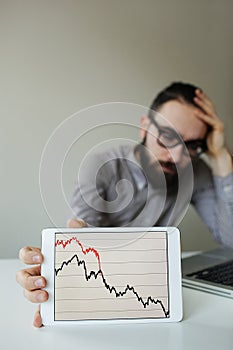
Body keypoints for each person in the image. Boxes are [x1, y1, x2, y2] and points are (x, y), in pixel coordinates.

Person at [16, 82, 233, 327]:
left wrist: (222, 157)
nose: (175, 155)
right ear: (144, 126)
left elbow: (230, 239)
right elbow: (83, 245)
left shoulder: (194, 170)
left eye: (192, 146)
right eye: (167, 138)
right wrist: (58, 280)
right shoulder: (100, 165)